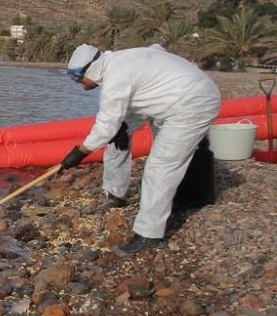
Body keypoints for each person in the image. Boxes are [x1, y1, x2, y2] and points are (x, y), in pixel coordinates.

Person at [60, 43, 221, 255]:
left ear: (91, 69)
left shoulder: (115, 80)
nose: (78, 83)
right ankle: (115, 194)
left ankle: (150, 234)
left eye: (77, 77)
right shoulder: (120, 59)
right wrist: (118, 129)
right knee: (119, 137)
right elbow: (157, 49)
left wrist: (79, 153)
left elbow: (105, 126)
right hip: (168, 100)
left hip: (192, 104)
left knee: (160, 167)